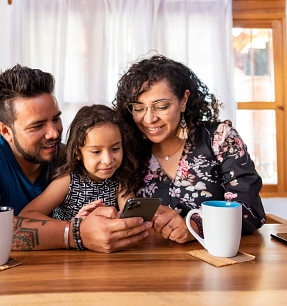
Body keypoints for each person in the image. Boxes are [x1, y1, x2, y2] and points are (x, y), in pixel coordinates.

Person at [0, 64, 151, 252]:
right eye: (37, 126)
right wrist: (77, 233)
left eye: (56, 118)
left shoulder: (71, 158)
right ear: (6, 131)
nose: (54, 133)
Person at [114, 54, 266, 244]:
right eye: (139, 108)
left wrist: (196, 226)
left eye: (161, 106)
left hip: (214, 265)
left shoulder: (220, 139)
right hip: (148, 265)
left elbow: (251, 211)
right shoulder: (126, 149)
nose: (149, 119)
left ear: (183, 100)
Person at [20, 105, 138, 250]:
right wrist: (75, 226)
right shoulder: (68, 181)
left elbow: (134, 217)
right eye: (96, 151)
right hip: (67, 257)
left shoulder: (120, 182)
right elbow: (26, 215)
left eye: (115, 149)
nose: (108, 160)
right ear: (77, 152)